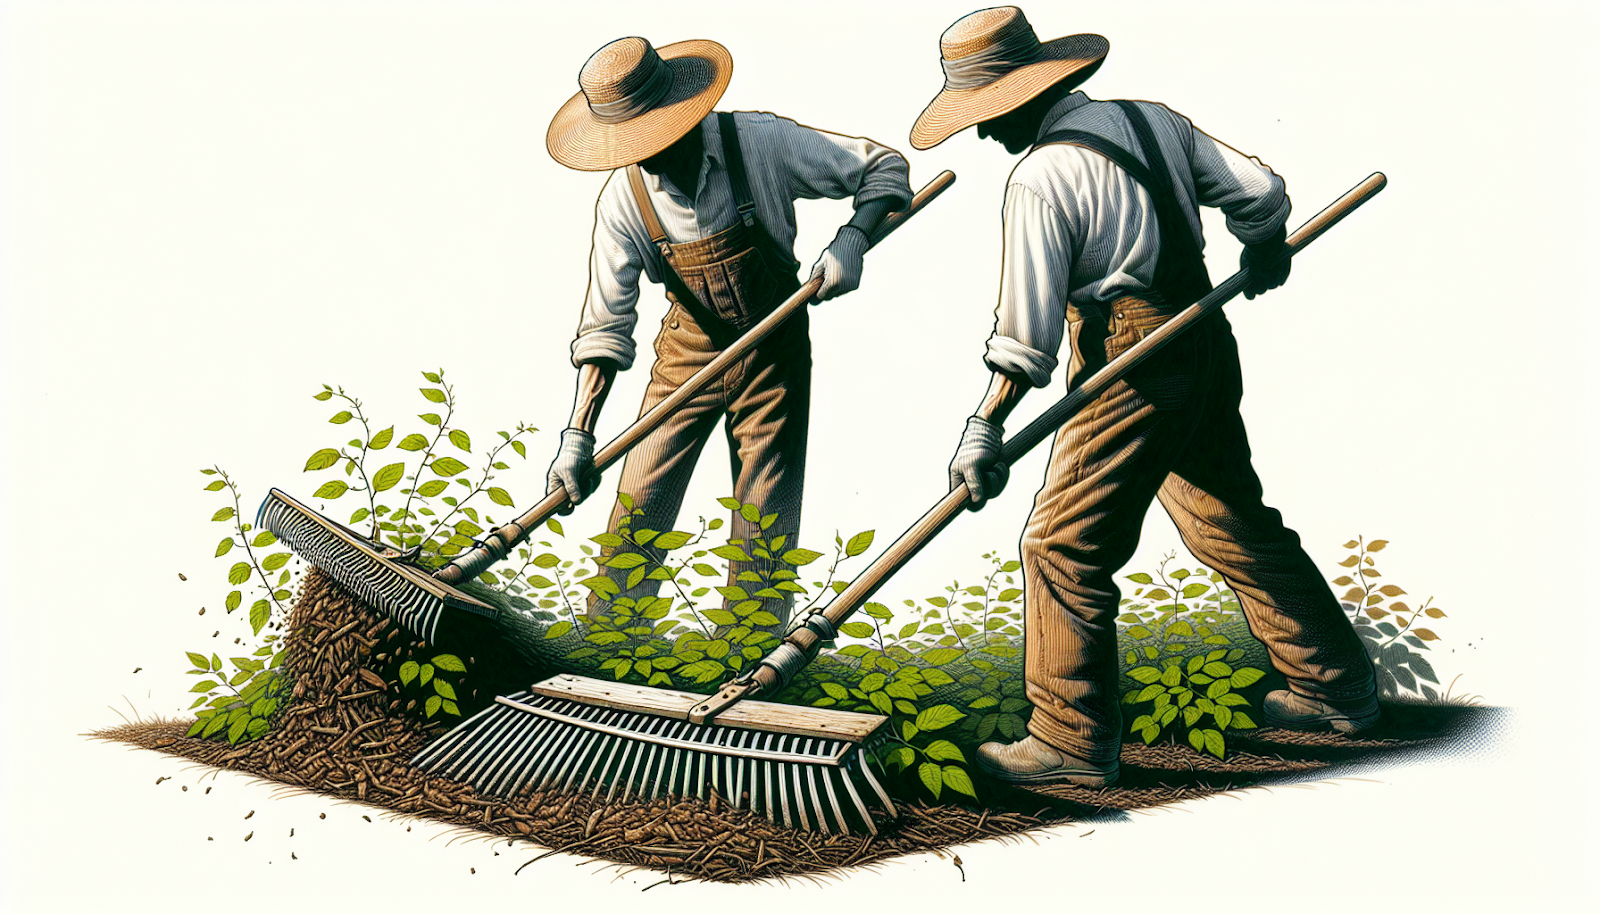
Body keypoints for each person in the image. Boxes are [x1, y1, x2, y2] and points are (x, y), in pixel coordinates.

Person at [910, 7, 1379, 787]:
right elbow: (1261, 191)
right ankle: (1337, 688)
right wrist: (1263, 249)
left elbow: (1026, 334)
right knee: (1226, 514)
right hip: (1199, 336)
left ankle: (1068, 743)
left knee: (1060, 546)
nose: (986, 136)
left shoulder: (1039, 178)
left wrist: (984, 424)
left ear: (1025, 95)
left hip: (1127, 361)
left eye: (988, 117)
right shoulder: (1151, 119)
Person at [545, 36, 913, 627]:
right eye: (633, 145)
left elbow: (885, 167)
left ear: (683, 117)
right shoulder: (623, 200)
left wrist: (856, 236)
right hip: (686, 355)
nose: (648, 157)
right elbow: (606, 325)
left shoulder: (759, 143)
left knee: (765, 520)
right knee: (638, 505)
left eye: (656, 138)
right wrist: (578, 435)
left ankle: (748, 659)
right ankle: (608, 648)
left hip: (776, 353)